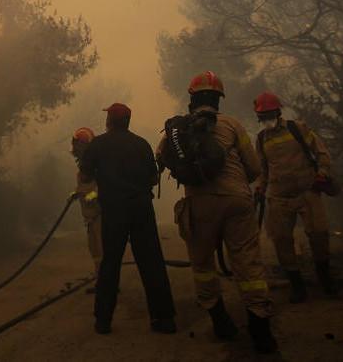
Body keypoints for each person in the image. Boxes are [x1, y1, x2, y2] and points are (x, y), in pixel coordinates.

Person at [162, 71, 277, 354]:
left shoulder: (178, 129)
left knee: (202, 266)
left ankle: (220, 320)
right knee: (248, 264)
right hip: (236, 200)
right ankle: (260, 328)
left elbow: (163, 158)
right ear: (218, 99)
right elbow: (254, 168)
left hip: (199, 203)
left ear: (192, 99)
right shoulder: (233, 125)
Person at [78, 103, 176, 335]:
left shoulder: (98, 144)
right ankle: (164, 319)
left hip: (113, 212)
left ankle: (103, 321)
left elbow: (84, 176)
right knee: (151, 262)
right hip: (141, 209)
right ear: (128, 122)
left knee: (110, 264)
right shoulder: (141, 144)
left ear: (109, 121)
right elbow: (153, 179)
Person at [253, 91, 338, 302]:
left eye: (269, 114)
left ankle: (324, 275)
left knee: (319, 233)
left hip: (307, 190)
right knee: (280, 239)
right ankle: (296, 285)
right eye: (262, 116)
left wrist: (322, 175)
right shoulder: (261, 138)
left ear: (278, 112)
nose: (266, 119)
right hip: (279, 197)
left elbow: (322, 153)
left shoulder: (297, 128)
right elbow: (262, 167)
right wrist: (260, 187)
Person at [71, 126, 103, 289]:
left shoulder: (96, 161)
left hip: (100, 214)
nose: (75, 148)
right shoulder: (83, 164)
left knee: (103, 249)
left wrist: (95, 194)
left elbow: (103, 182)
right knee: (94, 249)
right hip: (89, 215)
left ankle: (108, 283)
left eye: (78, 144)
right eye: (75, 144)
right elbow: (84, 184)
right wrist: (76, 193)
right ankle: (100, 279)